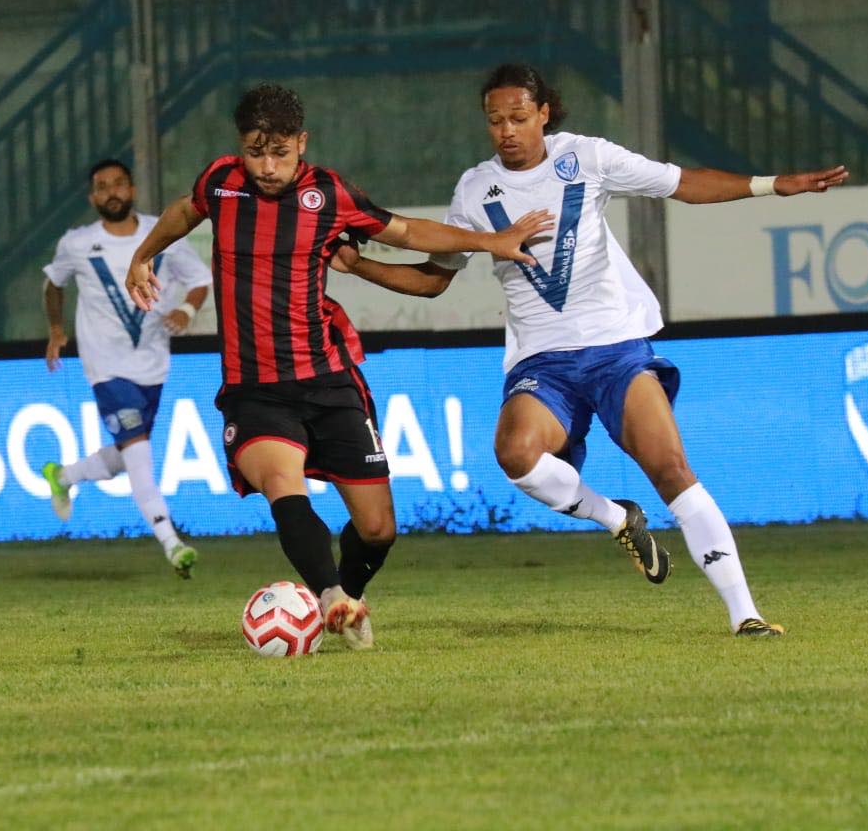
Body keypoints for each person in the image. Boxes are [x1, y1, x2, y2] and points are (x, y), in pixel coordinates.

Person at [334, 62, 851, 637]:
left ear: (544, 113)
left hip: (615, 349)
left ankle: (745, 615)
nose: (506, 130)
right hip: (542, 362)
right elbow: (434, 279)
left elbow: (683, 183)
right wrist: (359, 266)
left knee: (670, 468)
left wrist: (771, 185)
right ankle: (615, 517)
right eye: (495, 120)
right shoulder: (475, 189)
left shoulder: (587, 157)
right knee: (515, 454)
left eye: (518, 117)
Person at [124, 83, 551, 648]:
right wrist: (143, 254)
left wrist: (491, 241)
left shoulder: (328, 194)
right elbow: (184, 210)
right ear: (240, 147)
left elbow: (406, 230)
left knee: (378, 529)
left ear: (301, 143)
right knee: (283, 484)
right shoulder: (221, 182)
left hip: (328, 379)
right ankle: (328, 596)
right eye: (255, 153)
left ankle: (348, 593)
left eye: (280, 153)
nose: (267, 167)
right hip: (255, 388)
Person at [40, 159, 212, 578]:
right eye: (102, 187)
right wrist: (57, 330)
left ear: (132, 190)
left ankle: (64, 475)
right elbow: (53, 283)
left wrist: (187, 310)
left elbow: (200, 279)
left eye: (118, 184)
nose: (111, 192)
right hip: (105, 366)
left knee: (128, 452)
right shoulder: (78, 243)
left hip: (152, 363)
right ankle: (172, 543)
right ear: (92, 197)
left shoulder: (163, 233)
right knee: (138, 455)